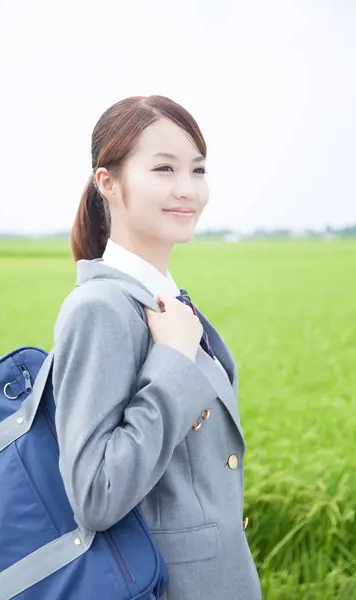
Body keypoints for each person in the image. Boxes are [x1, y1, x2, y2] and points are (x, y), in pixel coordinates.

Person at [52, 95, 262, 600]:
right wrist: (171, 362)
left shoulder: (166, 300)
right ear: (108, 182)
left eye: (198, 169)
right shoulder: (101, 308)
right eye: (164, 169)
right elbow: (95, 495)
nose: (187, 189)